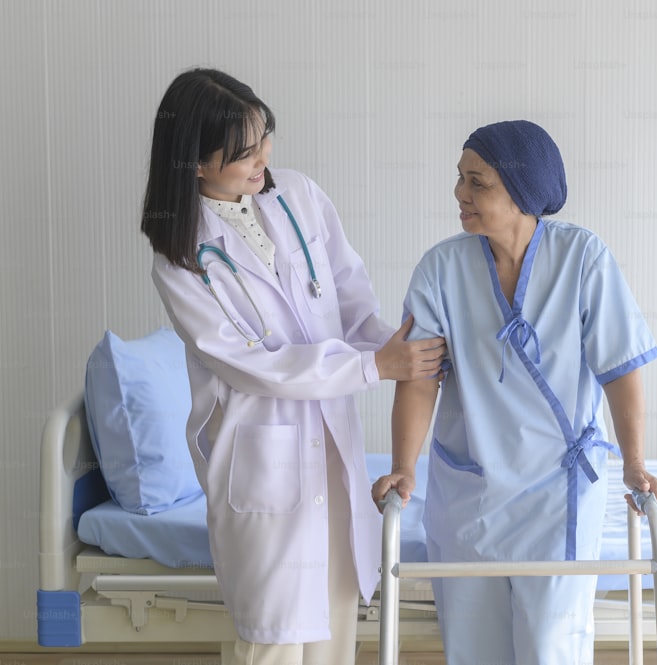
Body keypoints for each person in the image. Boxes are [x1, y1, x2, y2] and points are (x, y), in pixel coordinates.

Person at [140, 68, 445, 665]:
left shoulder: (299, 195)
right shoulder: (178, 260)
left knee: (333, 635)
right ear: (196, 164)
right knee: (273, 645)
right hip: (263, 469)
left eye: (265, 138)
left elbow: (353, 306)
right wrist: (373, 369)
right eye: (244, 151)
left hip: (333, 453)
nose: (264, 159)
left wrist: (401, 351)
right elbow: (252, 366)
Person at [371, 120, 657, 664]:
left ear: (523, 190)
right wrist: (404, 467)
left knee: (549, 649)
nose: (460, 193)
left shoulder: (583, 259)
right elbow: (419, 377)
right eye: (459, 179)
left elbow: (620, 369)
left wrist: (634, 462)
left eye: (477, 182)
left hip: (558, 499)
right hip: (471, 495)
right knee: (474, 650)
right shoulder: (441, 269)